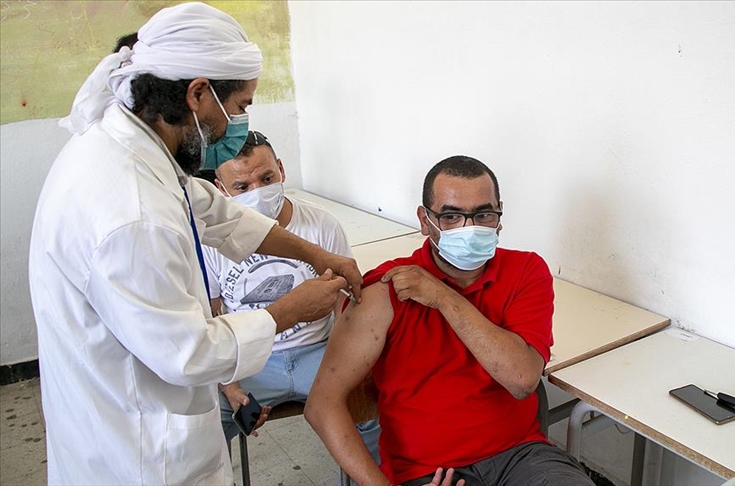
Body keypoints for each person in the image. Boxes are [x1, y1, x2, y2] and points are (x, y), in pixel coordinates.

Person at [28, 3, 362, 485]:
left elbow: (219, 213)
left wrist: (318, 255)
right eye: (240, 106)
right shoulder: (132, 212)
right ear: (199, 94)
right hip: (140, 449)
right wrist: (289, 309)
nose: (240, 122)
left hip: (145, 415)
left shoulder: (136, 146)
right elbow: (189, 353)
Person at [305, 156, 595, 486]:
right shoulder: (386, 290)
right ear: (425, 220)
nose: (469, 229)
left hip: (521, 457)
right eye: (452, 216)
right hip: (425, 472)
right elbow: (322, 404)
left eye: (483, 215)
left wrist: (443, 297)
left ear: (499, 215)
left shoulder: (526, 271)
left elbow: (522, 379)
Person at [205, 130, 381, 461]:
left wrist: (347, 362)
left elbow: (347, 303)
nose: (257, 193)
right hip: (250, 360)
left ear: (281, 170)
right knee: (202, 422)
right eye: (242, 187)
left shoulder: (322, 225)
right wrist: (228, 384)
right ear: (220, 189)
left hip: (319, 353)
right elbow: (210, 315)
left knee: (367, 409)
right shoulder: (210, 242)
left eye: (266, 178)